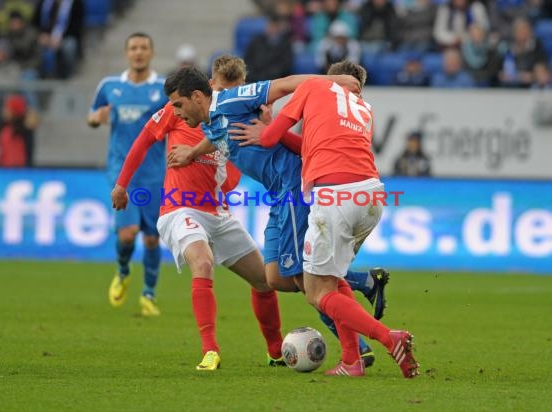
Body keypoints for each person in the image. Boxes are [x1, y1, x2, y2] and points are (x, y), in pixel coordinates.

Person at [167, 58, 389, 367]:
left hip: (292, 187)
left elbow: (285, 84)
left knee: (303, 277)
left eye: (178, 105)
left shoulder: (232, 100)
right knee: (276, 278)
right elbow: (218, 135)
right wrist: (192, 152)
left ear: (198, 96)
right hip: (277, 194)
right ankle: (363, 282)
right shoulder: (210, 119)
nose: (175, 114)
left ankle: (359, 348)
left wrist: (333, 82)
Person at [229, 60, 420, 378]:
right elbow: (312, 146)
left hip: (335, 196)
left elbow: (269, 138)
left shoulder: (312, 87)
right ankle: (352, 360)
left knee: (317, 291)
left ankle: (390, 338)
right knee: (332, 281)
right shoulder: (362, 107)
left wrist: (267, 127)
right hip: (371, 196)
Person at [110, 57, 285, 371]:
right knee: (202, 263)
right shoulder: (180, 110)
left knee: (265, 281)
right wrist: (122, 185)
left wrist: (266, 130)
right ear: (208, 87)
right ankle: (210, 351)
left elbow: (233, 178)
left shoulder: (235, 118)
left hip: (218, 212)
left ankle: (276, 352)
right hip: (179, 208)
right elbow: (143, 141)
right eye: (223, 86)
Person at [87, 33, 168, 316]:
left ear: (151, 52)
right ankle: (122, 271)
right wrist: (96, 119)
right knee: (128, 234)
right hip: (122, 171)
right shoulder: (109, 86)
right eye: (133, 48)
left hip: (155, 172)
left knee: (151, 238)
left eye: (144, 47)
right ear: (126, 53)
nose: (138, 52)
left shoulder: (163, 88)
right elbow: (92, 114)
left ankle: (149, 295)